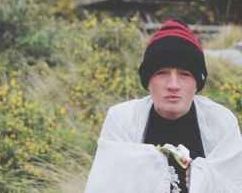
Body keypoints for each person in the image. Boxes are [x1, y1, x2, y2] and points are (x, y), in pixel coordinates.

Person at [84, 18, 242, 193]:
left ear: (198, 83)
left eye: (184, 74)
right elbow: (104, 186)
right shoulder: (122, 120)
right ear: (147, 82)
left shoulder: (221, 124)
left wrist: (203, 178)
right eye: (162, 73)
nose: (173, 84)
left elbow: (234, 185)